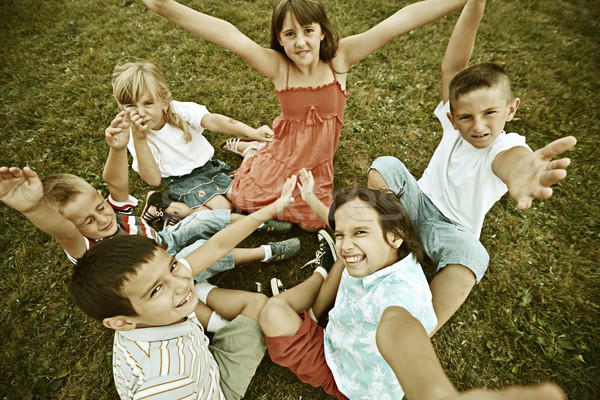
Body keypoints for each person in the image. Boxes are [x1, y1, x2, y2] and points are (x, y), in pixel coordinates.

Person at [140, 0, 470, 230]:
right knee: (242, 198)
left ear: (322, 32)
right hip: (285, 155)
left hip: (317, 163)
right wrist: (163, 5)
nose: (300, 42)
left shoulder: (339, 60)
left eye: (308, 30)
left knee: (315, 223)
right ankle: (253, 150)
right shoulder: (279, 68)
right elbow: (227, 34)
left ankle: (247, 147)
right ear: (279, 40)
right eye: (289, 34)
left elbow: (398, 22)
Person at [366, 0, 577, 335]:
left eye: (490, 113)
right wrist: (475, 6)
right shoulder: (453, 125)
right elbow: (453, 65)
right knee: (385, 167)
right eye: (466, 116)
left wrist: (522, 171)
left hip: (452, 230)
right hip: (416, 204)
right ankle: (388, 251)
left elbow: (511, 161)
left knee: (473, 257)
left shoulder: (506, 146)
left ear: (511, 109)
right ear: (452, 116)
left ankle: (417, 334)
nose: (478, 126)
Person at [259, 185, 564, 400]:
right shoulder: (372, 256)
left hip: (346, 380)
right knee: (300, 291)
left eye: (360, 232)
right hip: (335, 338)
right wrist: (312, 198)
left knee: (272, 312)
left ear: (394, 236)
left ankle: (319, 276)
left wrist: (435, 393)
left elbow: (399, 329)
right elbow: (347, 229)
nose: (345, 243)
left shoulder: (399, 295)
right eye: (339, 235)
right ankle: (320, 285)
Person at [0, 113, 300, 329]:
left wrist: (117, 149)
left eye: (98, 206)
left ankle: (259, 223)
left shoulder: (111, 208)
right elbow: (62, 231)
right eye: (87, 221)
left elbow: (116, 184)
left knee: (202, 221)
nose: (102, 218)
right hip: (157, 271)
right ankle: (265, 254)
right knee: (197, 252)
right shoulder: (86, 247)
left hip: (161, 241)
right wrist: (33, 208)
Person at [70, 178, 298, 400]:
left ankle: (206, 297)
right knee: (265, 311)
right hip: (216, 387)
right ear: (121, 323)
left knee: (257, 302)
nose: (181, 283)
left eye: (172, 265)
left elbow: (217, 245)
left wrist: (271, 210)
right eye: (156, 290)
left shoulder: (151, 308)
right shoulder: (165, 382)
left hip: (199, 355)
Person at [111, 59, 275, 217]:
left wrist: (252, 132)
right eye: (131, 106)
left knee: (244, 198)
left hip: (210, 169)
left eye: (148, 103)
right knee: (222, 210)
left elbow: (213, 121)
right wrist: (140, 140)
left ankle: (249, 149)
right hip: (181, 182)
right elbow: (153, 180)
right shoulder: (134, 137)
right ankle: (161, 207)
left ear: (164, 102)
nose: (140, 112)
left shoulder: (179, 111)